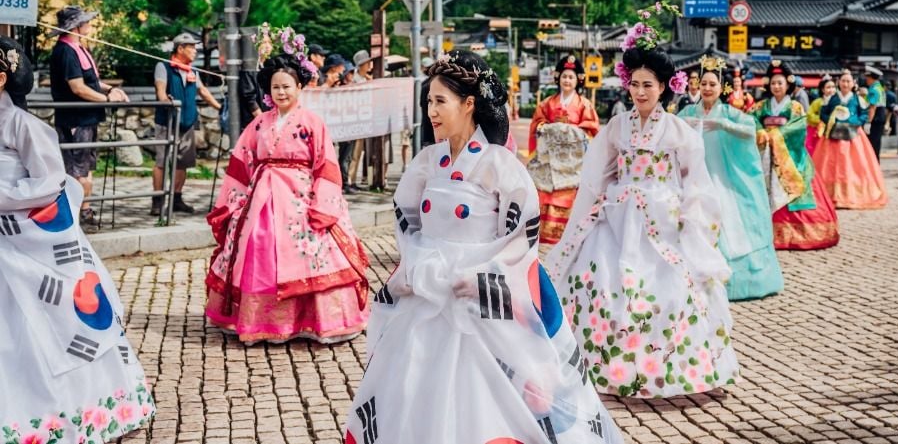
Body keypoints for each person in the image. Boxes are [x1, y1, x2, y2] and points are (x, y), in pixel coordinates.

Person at [345, 51, 622, 443]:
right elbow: (406, 218)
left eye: (440, 101)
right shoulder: (426, 162)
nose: (432, 111)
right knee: (411, 384)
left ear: (469, 103)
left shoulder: (500, 164)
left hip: (482, 290)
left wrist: (482, 276)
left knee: (495, 393)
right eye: (429, 101)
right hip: (428, 285)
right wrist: (415, 263)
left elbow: (522, 233)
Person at [546, 30, 739, 398]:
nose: (639, 92)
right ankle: (602, 364)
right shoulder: (617, 126)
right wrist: (593, 211)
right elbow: (597, 176)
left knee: (668, 290)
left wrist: (691, 222)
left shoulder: (679, 131)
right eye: (634, 84)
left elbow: (695, 183)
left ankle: (667, 366)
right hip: (618, 216)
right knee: (600, 282)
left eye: (648, 85)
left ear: (664, 86)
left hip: (662, 217)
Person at [0, 36, 156, 442]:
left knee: (40, 329)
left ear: (0, 78)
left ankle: (66, 413)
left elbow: (52, 184)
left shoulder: (24, 126)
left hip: (24, 241)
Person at [205, 43, 370, 344]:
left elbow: (326, 165)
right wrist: (231, 203)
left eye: (287, 86)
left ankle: (312, 320)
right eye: (275, 87)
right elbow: (242, 161)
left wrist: (322, 204)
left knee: (308, 251)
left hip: (301, 196)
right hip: (262, 198)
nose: (281, 92)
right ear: (268, 90)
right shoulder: (259, 124)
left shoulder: (312, 123)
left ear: (299, 87)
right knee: (258, 244)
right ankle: (261, 322)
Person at [678, 57, 784, 301]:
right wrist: (685, 123)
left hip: (722, 177)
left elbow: (750, 130)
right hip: (695, 178)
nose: (706, 88)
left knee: (730, 224)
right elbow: (672, 127)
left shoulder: (728, 113)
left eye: (712, 84)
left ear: (721, 88)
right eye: (703, 83)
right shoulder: (688, 111)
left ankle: (732, 280)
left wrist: (723, 124)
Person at [49, 6, 129, 225]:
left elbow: (90, 81)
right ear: (76, 26)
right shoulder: (65, 51)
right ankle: (74, 212)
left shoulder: (79, 48)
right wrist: (106, 100)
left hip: (88, 118)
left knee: (86, 166)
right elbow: (78, 87)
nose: (89, 24)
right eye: (86, 22)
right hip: (75, 118)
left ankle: (84, 209)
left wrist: (110, 90)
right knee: (77, 169)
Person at [752, 60, 839, 250]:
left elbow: (799, 126)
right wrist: (759, 131)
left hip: (789, 155)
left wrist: (777, 134)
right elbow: (752, 120)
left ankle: (795, 233)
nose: (776, 87)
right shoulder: (760, 106)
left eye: (780, 83)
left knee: (796, 190)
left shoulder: (795, 107)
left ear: (788, 84)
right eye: (773, 83)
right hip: (765, 152)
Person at [527, 56, 600, 244]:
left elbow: (591, 131)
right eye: (565, 76)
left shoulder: (585, 105)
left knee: (570, 195)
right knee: (544, 194)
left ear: (578, 81)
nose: (567, 80)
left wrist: (570, 132)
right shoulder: (546, 104)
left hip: (573, 164)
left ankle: (567, 235)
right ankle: (542, 235)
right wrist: (547, 128)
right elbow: (537, 124)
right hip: (549, 162)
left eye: (571, 77)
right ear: (558, 78)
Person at [151, 32, 222, 216]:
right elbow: (160, 92)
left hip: (187, 123)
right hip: (167, 122)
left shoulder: (193, 71)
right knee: (161, 162)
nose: (195, 50)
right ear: (180, 48)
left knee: (182, 163)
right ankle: (158, 202)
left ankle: (176, 199)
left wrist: (220, 107)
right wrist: (167, 102)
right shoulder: (163, 67)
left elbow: (203, 91)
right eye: (191, 47)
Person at [813, 70, 888, 209]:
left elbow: (864, 113)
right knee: (831, 163)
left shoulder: (858, 99)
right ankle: (830, 194)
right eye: (843, 81)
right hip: (833, 134)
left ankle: (852, 194)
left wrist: (855, 122)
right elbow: (823, 113)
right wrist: (832, 121)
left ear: (853, 83)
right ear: (838, 83)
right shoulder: (831, 98)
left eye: (848, 81)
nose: (845, 84)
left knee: (853, 163)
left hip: (853, 135)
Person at [347, 50, 374, 191]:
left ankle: (353, 179)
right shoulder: (355, 81)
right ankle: (349, 180)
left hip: (363, 121)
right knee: (353, 153)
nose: (370, 64)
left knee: (358, 153)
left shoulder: (365, 79)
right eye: (367, 62)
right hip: (355, 121)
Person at [805, 75, 835, 156]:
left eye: (833, 87)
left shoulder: (837, 101)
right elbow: (809, 115)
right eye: (828, 87)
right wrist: (821, 119)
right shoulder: (818, 102)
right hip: (818, 131)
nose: (831, 90)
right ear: (823, 89)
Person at [864, 66, 887, 161]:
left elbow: (872, 107)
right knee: (876, 143)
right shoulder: (878, 87)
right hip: (879, 117)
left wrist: (868, 122)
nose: (866, 80)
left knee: (873, 144)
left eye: (867, 77)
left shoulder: (874, 90)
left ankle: (875, 165)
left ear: (871, 78)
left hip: (875, 118)